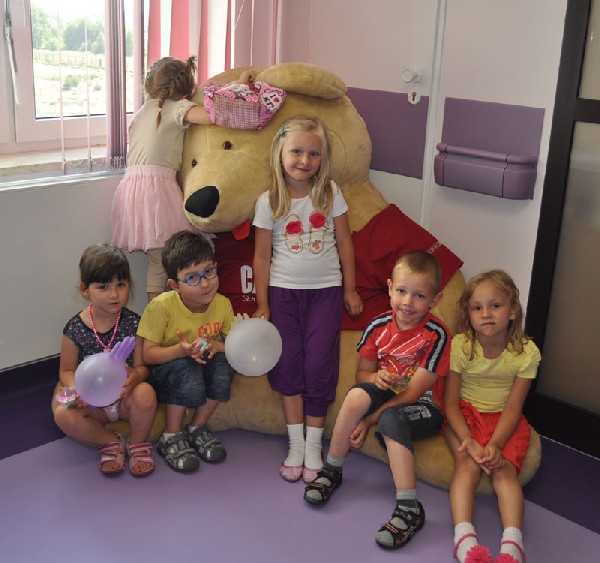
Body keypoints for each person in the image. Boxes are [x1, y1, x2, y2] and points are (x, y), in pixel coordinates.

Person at [303, 250, 450, 551]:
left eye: (420, 296)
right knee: (356, 394)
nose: (408, 302)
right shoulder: (378, 326)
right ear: (390, 288)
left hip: (424, 406)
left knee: (390, 418)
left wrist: (368, 421)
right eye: (402, 291)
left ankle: (410, 509)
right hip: (389, 393)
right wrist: (375, 378)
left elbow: (412, 393)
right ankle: (331, 470)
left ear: (435, 300)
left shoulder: (436, 334)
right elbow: (362, 374)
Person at [252, 115, 363, 484]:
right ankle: (296, 445)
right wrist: (263, 303)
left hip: (326, 294)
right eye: (297, 151)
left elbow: (345, 243)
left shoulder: (329, 193)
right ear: (280, 153)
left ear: (323, 158)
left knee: (318, 367)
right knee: (289, 366)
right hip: (283, 294)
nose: (304, 160)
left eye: (314, 154)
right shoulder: (268, 201)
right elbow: (261, 257)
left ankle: (314, 446)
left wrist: (349, 289)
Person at [444, 270, 540, 563]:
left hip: (504, 420)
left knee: (504, 471)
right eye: (477, 308)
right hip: (465, 415)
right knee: (467, 466)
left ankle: (512, 545)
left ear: (512, 311)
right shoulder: (460, 345)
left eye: (495, 306)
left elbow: (514, 407)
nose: (486, 313)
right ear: (469, 314)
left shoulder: (527, 353)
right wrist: (468, 440)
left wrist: (496, 444)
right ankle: (464, 538)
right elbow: (450, 404)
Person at [110, 56, 216, 302]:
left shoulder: (142, 112)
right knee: (170, 258)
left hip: (133, 190)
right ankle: (160, 314)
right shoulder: (175, 108)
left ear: (149, 86)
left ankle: (161, 310)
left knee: (159, 260)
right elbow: (211, 116)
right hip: (157, 193)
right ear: (184, 90)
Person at [54, 244, 157, 477]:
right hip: (92, 403)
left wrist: (136, 377)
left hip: (124, 400)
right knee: (62, 413)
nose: (114, 294)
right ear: (84, 290)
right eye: (103, 287)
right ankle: (111, 441)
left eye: (121, 284)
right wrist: (74, 388)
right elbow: (66, 371)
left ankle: (137, 443)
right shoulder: (74, 329)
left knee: (147, 393)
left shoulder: (135, 324)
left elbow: (142, 368)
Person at [138, 230, 235, 472]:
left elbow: (235, 345)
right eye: (192, 277)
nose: (205, 283)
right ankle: (171, 435)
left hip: (199, 363)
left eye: (209, 271)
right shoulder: (161, 306)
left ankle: (197, 427)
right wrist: (179, 351)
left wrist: (217, 346)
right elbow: (148, 355)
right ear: (174, 285)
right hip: (166, 371)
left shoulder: (223, 304)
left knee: (225, 363)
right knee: (186, 367)